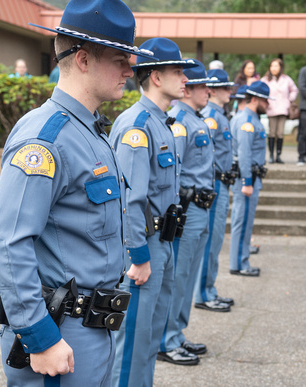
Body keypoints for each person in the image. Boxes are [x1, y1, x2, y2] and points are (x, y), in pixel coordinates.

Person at [0, 0, 156, 385]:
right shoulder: (46, 140)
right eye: (120, 59)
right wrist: (40, 338)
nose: (131, 70)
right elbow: (7, 243)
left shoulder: (90, 132)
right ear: (83, 59)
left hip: (92, 329)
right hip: (60, 332)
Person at [108, 37, 198, 385]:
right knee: (132, 341)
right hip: (145, 247)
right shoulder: (137, 127)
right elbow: (130, 199)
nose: (185, 79)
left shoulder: (161, 121)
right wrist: (140, 255)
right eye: (178, 71)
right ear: (156, 77)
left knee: (149, 339)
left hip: (164, 242)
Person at [159, 60, 220, 365]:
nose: (208, 91)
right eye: (203, 86)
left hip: (202, 205)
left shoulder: (194, 118)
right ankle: (166, 340)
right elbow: (175, 172)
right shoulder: (179, 121)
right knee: (179, 277)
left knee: (188, 274)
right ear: (189, 90)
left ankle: (177, 333)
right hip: (189, 207)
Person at [195, 68, 236, 312]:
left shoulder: (218, 115)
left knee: (216, 241)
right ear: (212, 89)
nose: (229, 91)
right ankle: (204, 293)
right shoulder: (211, 116)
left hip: (222, 182)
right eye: (225, 87)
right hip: (215, 183)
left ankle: (209, 289)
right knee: (210, 242)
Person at [228, 81, 270, 277]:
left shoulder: (250, 118)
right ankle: (240, 264)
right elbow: (244, 154)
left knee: (244, 222)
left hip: (250, 177)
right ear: (255, 99)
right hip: (247, 178)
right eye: (265, 99)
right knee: (242, 223)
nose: (268, 104)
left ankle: (240, 261)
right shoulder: (247, 122)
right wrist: (247, 181)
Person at [262, 58, 298, 164]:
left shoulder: (286, 79)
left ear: (280, 67)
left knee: (280, 133)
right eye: (272, 66)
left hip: (283, 109)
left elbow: (294, 90)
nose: (274, 68)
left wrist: (290, 99)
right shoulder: (265, 79)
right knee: (272, 133)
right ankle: (271, 156)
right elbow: (260, 90)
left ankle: (278, 155)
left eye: (276, 66)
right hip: (271, 109)